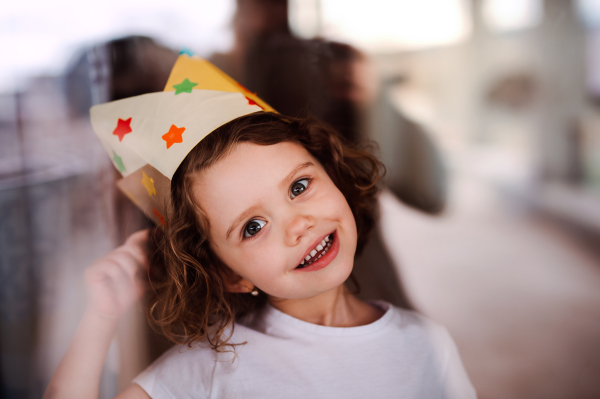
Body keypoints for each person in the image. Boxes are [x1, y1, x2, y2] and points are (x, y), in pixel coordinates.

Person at [44, 58, 475, 398]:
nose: (298, 224)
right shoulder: (209, 370)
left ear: (333, 175)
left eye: (299, 186)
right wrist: (101, 315)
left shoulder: (426, 344)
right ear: (229, 273)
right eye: (252, 226)